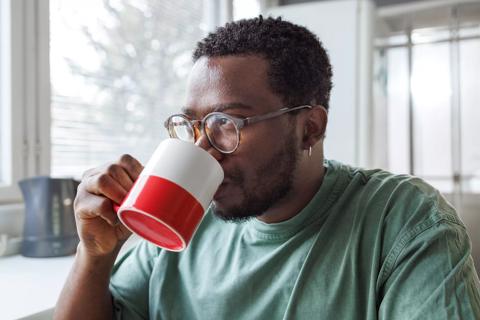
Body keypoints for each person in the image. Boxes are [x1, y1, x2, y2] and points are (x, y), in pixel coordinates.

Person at [54, 16, 480, 319]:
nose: (206, 150)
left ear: (310, 127)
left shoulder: (404, 219)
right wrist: (94, 255)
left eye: (228, 123)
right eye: (194, 125)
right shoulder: (183, 215)